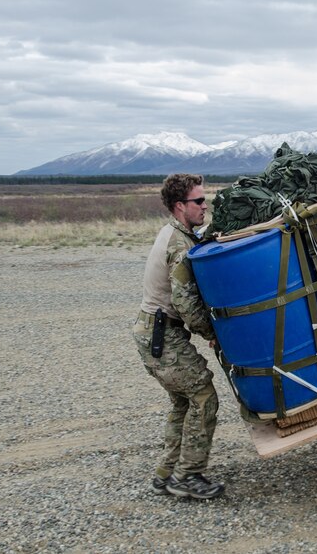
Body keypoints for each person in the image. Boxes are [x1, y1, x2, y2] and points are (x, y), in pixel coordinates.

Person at [131, 173, 224, 499]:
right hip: (162, 336)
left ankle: (167, 473)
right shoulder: (179, 245)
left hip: (154, 333)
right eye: (198, 201)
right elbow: (185, 303)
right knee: (203, 397)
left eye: (204, 199)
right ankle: (187, 477)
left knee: (184, 402)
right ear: (179, 206)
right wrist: (214, 333)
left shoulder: (175, 233)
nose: (205, 205)